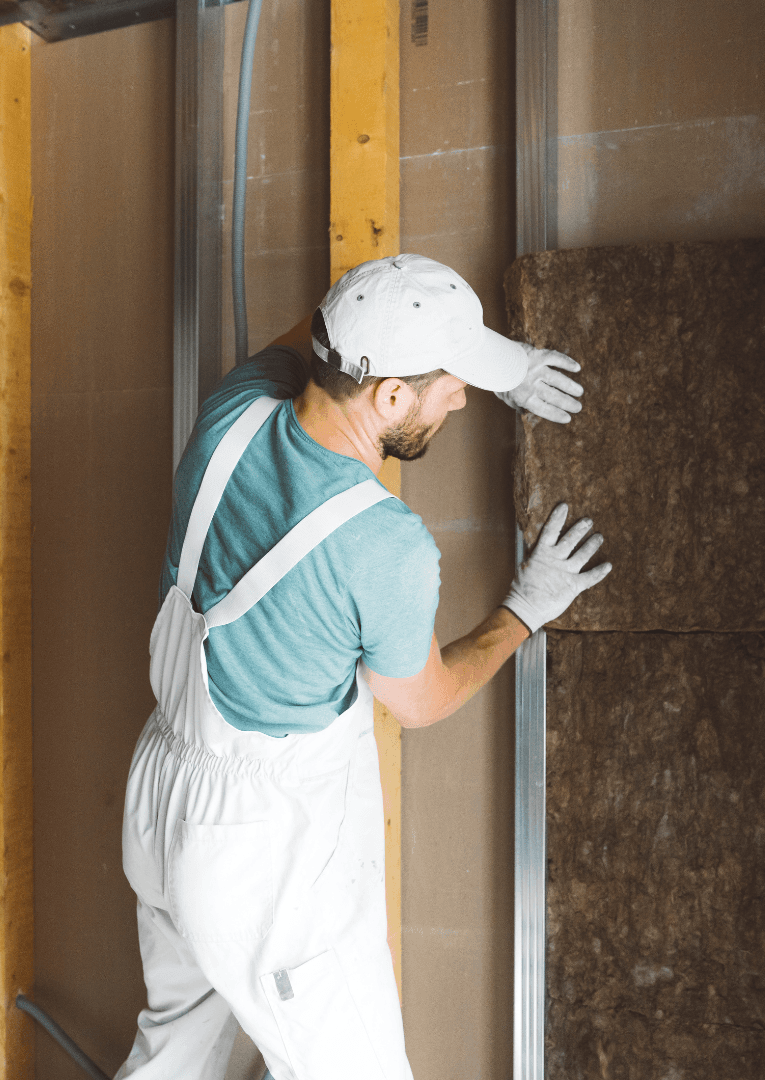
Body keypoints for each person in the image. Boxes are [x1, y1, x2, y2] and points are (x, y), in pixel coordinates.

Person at [116, 253, 611, 1080]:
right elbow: (420, 701)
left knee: (171, 1062)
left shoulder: (232, 411)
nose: (462, 399)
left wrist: (505, 367)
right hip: (259, 855)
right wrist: (525, 610)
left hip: (160, 803)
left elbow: (316, 331)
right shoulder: (382, 545)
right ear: (388, 397)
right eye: (453, 385)